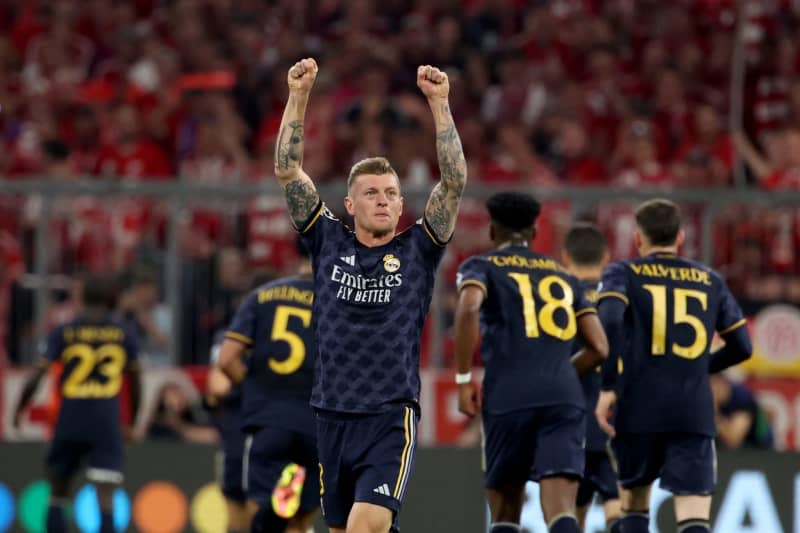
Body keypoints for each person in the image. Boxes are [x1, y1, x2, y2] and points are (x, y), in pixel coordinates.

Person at [273, 57, 467, 533]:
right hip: (331, 413)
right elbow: (287, 171)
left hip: (388, 414)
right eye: (372, 192)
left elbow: (455, 182)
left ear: (402, 203)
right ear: (350, 204)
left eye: (390, 192)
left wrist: (441, 105)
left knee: (366, 526)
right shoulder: (327, 238)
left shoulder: (419, 248)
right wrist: (298, 97)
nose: (383, 199)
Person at [453, 192, 609, 533]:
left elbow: (467, 309)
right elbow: (599, 347)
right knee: (561, 511)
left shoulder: (481, 267)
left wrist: (464, 379)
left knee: (506, 510)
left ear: (493, 231)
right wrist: (563, 374)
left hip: (509, 396)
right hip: (563, 398)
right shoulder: (563, 277)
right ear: (535, 232)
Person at [595, 199, 753, 533]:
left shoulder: (622, 272)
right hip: (692, 409)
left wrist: (608, 385)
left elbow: (608, 320)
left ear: (639, 238)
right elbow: (742, 346)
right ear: (680, 237)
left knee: (634, 507)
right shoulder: (709, 279)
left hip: (638, 405)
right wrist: (697, 366)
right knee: (694, 515)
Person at [13, 273, 142, 533]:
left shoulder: (64, 331)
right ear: (112, 299)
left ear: (82, 298)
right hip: (106, 420)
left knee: (58, 491)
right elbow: (136, 382)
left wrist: (19, 408)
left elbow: (37, 375)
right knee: (105, 497)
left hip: (71, 417)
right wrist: (132, 422)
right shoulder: (124, 333)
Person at [217, 244, 318, 533]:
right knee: (299, 519)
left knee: (261, 510)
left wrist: (255, 386)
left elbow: (226, 360)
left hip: (269, 422)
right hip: (316, 425)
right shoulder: (340, 301)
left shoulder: (263, 295)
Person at [562, 223, 622, 532]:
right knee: (619, 503)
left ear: (565, 257)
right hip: (614, 421)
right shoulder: (618, 299)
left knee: (573, 511)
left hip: (571, 422)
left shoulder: (558, 298)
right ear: (607, 257)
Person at [207, 331, 249, 533]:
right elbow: (217, 388)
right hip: (240, 437)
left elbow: (218, 388)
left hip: (247, 437)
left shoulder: (233, 336)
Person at [710, 374, 774, 450]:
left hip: (755, 450)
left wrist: (713, 414)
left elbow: (733, 440)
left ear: (721, 383)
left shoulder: (741, 398)